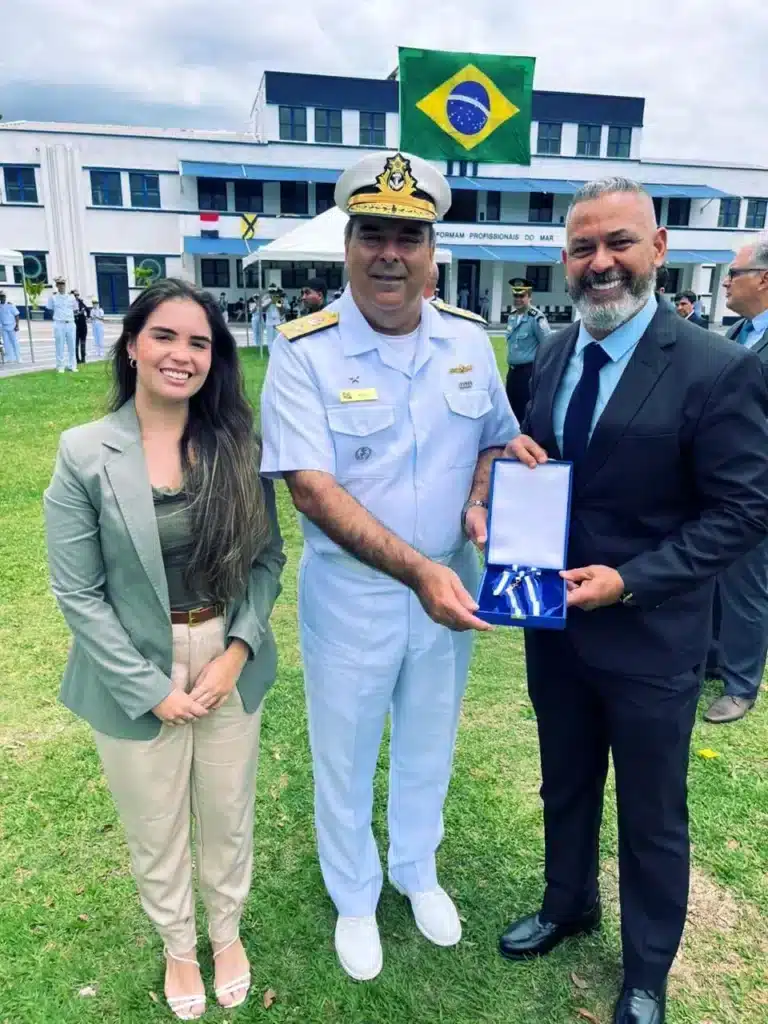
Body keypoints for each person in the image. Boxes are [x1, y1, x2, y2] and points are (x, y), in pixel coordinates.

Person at [489, 179, 768, 1024]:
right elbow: (557, 465)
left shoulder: (717, 371)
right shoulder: (554, 356)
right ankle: (567, 902)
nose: (600, 263)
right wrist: (517, 463)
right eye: (582, 249)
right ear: (565, 261)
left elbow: (745, 511)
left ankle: (647, 971)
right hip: (554, 624)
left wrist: (633, 578)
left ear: (659, 250)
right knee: (565, 782)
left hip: (651, 636)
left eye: (618, 243)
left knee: (651, 812)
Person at [261, 150, 531, 982]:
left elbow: (494, 435)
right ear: (348, 247)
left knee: (427, 741)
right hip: (356, 594)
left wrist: (492, 482)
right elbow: (311, 488)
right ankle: (354, 893)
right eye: (373, 235)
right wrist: (420, 572)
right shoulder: (302, 348)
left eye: (408, 238)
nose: (390, 254)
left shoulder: (465, 339)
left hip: (450, 589)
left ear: (431, 254)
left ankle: (416, 868)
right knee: (344, 752)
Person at [44, 279, 285, 1019]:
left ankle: (225, 933)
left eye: (200, 342)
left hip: (225, 654)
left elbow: (267, 560)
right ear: (131, 343)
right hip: (130, 669)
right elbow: (78, 593)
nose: (182, 355)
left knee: (226, 812)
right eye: (165, 336)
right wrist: (150, 687)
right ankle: (179, 945)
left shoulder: (237, 444)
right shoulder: (84, 452)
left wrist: (235, 651)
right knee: (156, 824)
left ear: (215, 357)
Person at [705, 233, 768, 723]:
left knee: (746, 584)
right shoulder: (740, 332)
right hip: (719, 481)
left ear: (764, 279)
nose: (727, 282)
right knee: (713, 574)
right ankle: (714, 658)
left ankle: (742, 684)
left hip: (757, 485)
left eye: (735, 273)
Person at [504, 278, 551, 422]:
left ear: (529, 297)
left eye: (521, 296)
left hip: (528, 373)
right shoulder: (512, 316)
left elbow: (548, 345)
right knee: (511, 409)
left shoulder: (536, 318)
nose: (518, 299)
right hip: (512, 372)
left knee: (525, 411)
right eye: (515, 296)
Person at [46, 277, 78, 373]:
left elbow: (75, 309)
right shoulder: (53, 298)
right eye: (59, 284)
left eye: (63, 284)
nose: (61, 286)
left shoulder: (71, 297)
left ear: (65, 285)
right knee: (59, 345)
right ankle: (60, 366)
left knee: (72, 345)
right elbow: (50, 310)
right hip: (59, 323)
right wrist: (57, 318)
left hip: (70, 323)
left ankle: (72, 365)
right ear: (56, 286)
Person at [0, 291, 21, 363]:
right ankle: (9, 357)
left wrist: (17, 325)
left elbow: (17, 315)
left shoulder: (10, 305)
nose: (2, 298)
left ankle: (18, 357)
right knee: (6, 343)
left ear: (5, 297)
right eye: (1, 296)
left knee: (14, 342)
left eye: (3, 296)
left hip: (12, 326)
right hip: (3, 327)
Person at [72, 289, 89, 364]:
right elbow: (70, 314)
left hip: (82, 324)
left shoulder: (81, 302)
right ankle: (77, 359)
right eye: (75, 295)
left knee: (83, 341)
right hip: (75, 324)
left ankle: (83, 358)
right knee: (76, 342)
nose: (77, 296)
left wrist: (87, 316)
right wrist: (78, 313)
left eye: (78, 295)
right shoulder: (70, 303)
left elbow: (88, 310)